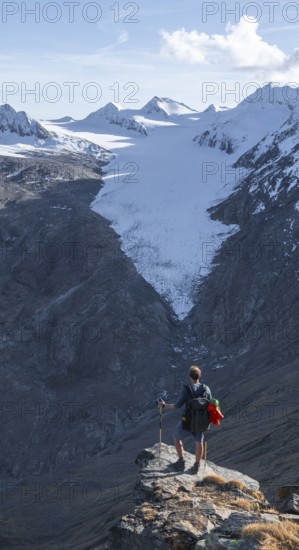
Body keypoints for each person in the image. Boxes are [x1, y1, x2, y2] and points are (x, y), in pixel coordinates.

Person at [158, 365, 212, 474]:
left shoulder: (186, 389)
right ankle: (196, 465)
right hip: (202, 420)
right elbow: (211, 405)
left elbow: (176, 406)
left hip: (188, 420)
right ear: (199, 376)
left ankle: (181, 461)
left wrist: (163, 406)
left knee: (177, 437)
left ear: (189, 376)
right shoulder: (206, 388)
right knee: (199, 441)